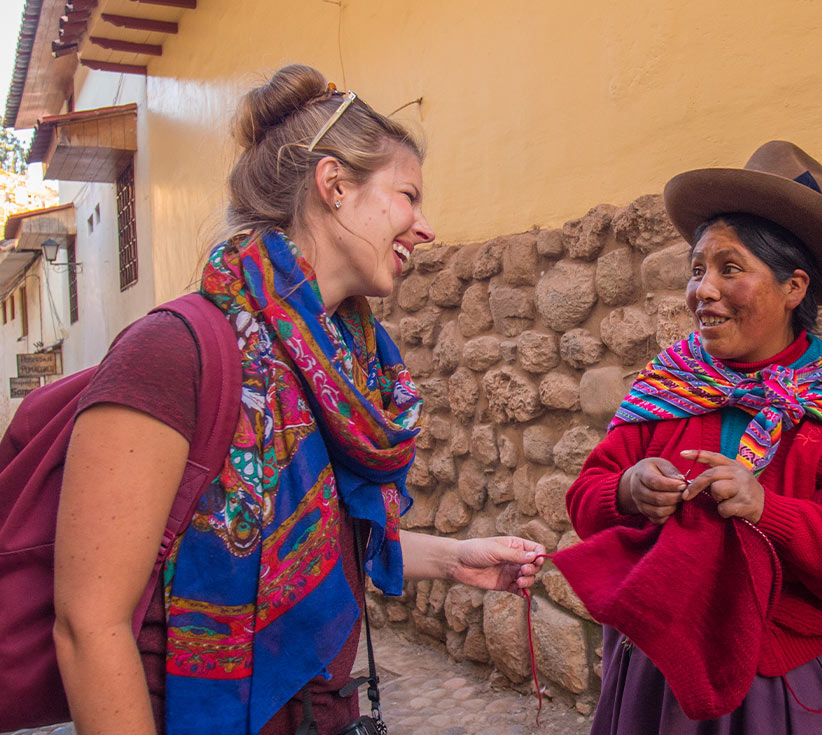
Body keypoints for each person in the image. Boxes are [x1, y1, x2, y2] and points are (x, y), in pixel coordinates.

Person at [51, 64, 545, 735]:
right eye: (407, 196)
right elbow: (89, 623)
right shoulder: (172, 352)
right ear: (335, 185)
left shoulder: (336, 369)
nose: (424, 228)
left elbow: (320, 534)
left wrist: (457, 558)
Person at [558, 141, 822, 734]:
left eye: (730, 269)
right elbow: (586, 497)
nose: (702, 289)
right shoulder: (667, 388)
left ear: (793, 288)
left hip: (805, 689)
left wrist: (770, 510)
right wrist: (627, 490)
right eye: (698, 269)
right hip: (667, 684)